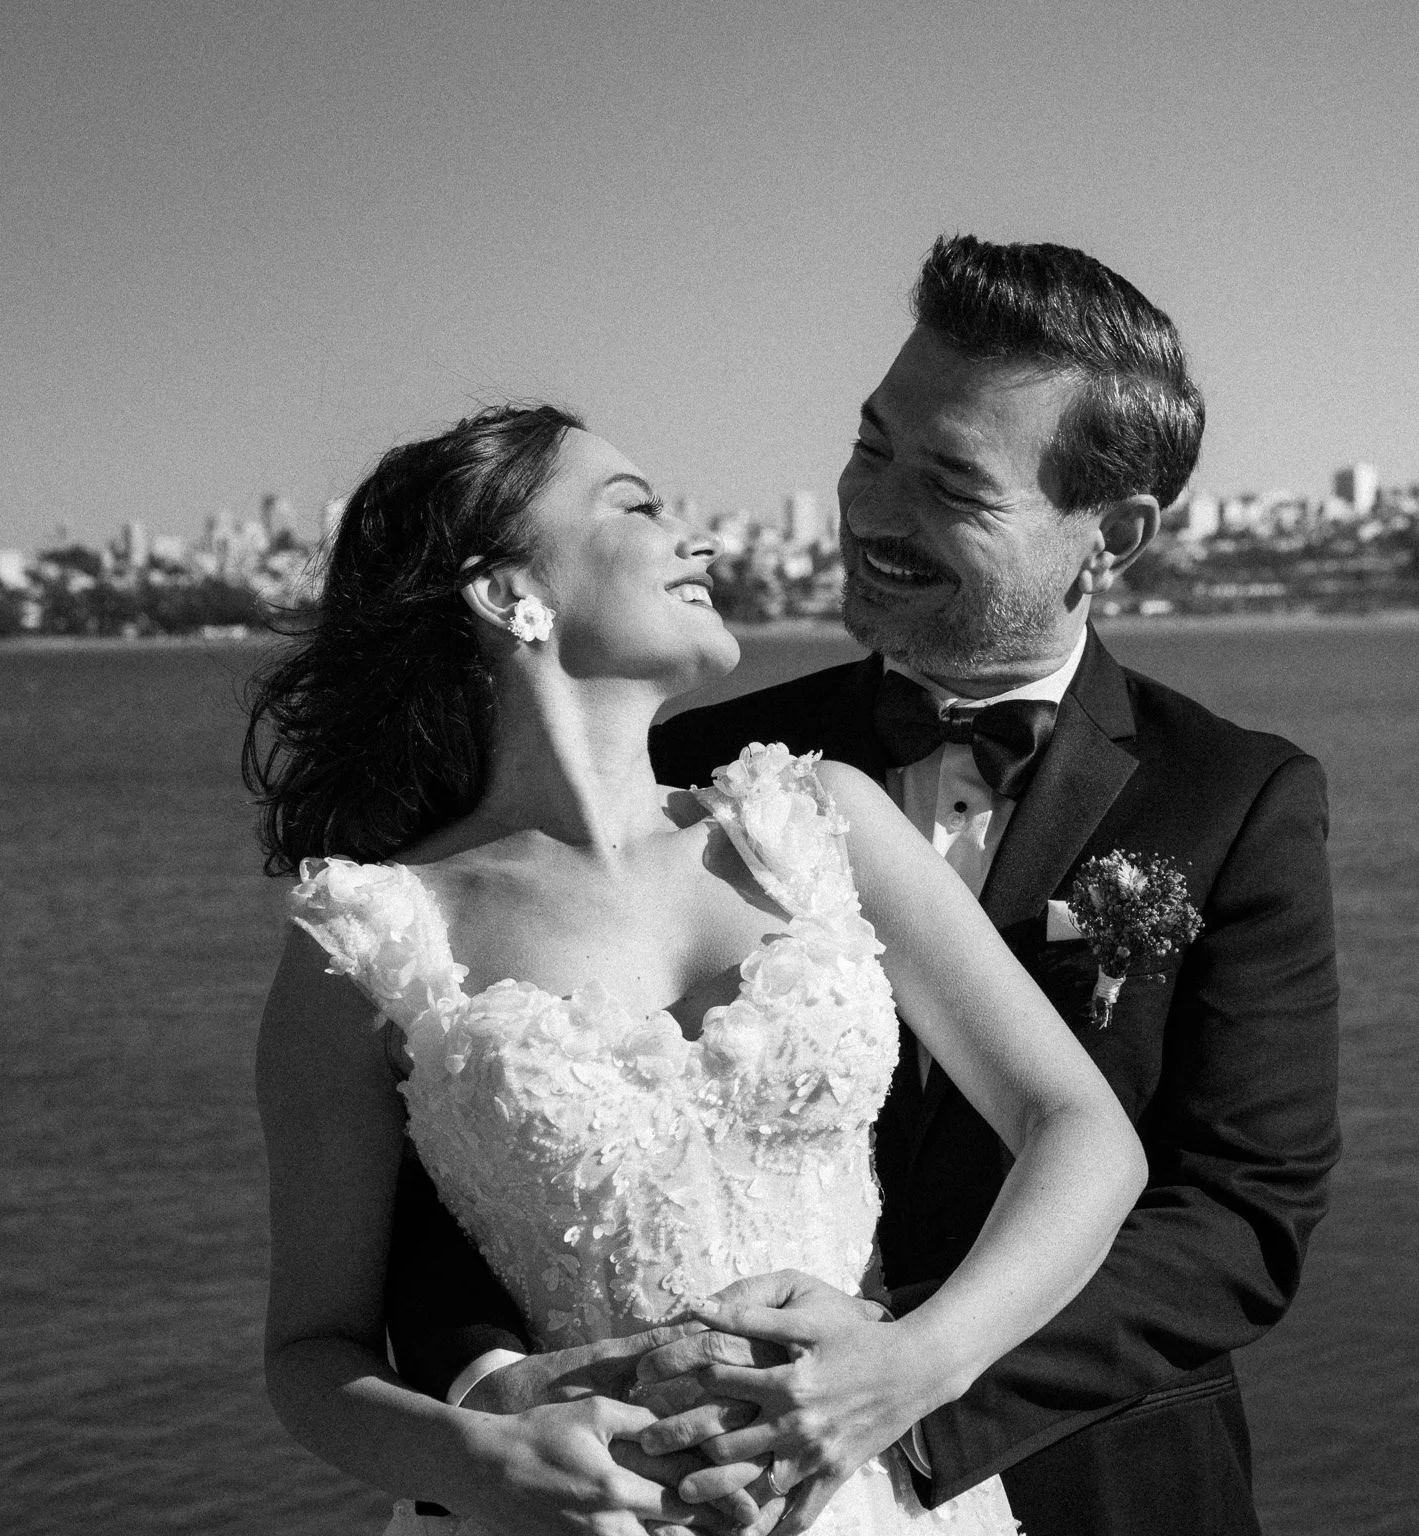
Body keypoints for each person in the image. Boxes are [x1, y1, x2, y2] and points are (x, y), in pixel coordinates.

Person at [383, 236, 1342, 1536]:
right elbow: (458, 1146)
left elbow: (1238, 1218)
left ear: (1108, 536)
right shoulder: (685, 769)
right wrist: (500, 1383)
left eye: (950, 483)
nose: (875, 511)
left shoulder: (1235, 800)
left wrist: (910, 1382)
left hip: (1093, 1485)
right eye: (871, 446)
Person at [247, 400, 1147, 1534]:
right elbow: (309, 1354)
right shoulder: (374, 938)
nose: (701, 538)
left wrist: (911, 1366)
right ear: (504, 592)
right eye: (637, 508)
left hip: (869, 1490)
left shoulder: (822, 824)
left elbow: (1083, 1132)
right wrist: (482, 1459)